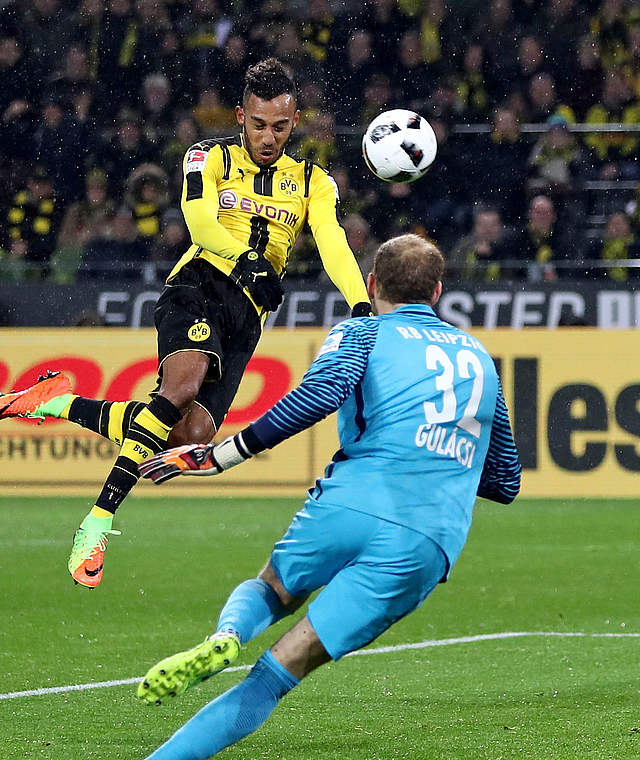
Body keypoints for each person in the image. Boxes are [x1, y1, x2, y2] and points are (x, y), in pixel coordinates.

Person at [130, 233, 521, 759]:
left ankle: (228, 634)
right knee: (272, 678)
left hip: (350, 502)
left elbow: (315, 398)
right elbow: (506, 481)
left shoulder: (362, 333)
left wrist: (217, 456)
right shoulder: (480, 358)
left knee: (272, 588)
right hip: (425, 540)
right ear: (437, 291)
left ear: (372, 284)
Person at [0, 59, 371, 588]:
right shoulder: (208, 156)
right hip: (200, 285)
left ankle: (51, 402)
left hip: (247, 318)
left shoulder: (313, 181)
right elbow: (199, 220)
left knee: (189, 434)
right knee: (181, 386)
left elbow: (333, 242)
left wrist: (359, 306)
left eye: (281, 126)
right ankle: (97, 521)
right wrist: (246, 261)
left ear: (295, 123)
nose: (269, 137)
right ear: (241, 116)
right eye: (259, 124)